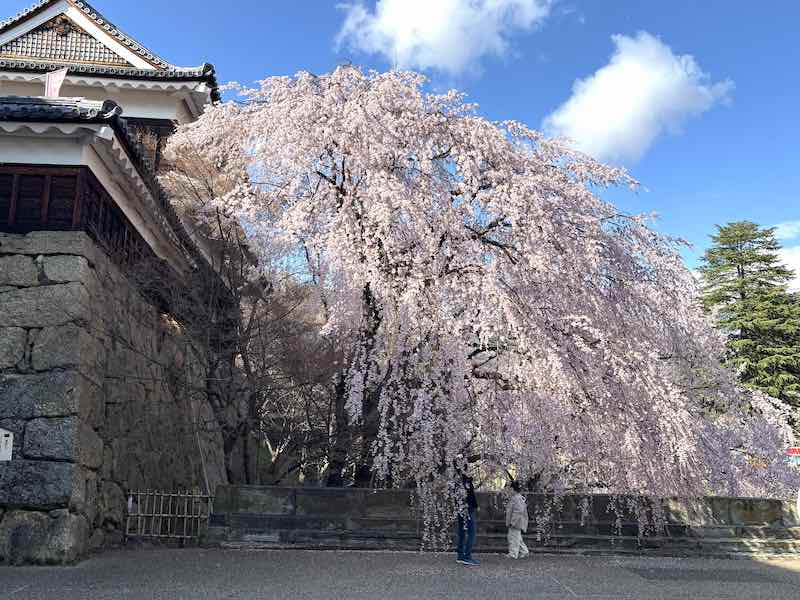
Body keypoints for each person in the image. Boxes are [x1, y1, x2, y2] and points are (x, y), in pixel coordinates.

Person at [455, 472, 480, 566]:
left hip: (460, 508)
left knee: (461, 532)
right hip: (467, 508)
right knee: (471, 532)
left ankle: (461, 556)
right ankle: (467, 556)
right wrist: (475, 506)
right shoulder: (465, 481)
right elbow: (470, 496)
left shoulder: (456, 480)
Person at [505, 480, 529, 559]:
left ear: (513, 489)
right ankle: (524, 552)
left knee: (513, 537)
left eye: (509, 489)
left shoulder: (517, 498)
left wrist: (513, 522)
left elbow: (518, 511)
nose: (508, 490)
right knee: (517, 537)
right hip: (516, 521)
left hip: (516, 522)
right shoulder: (516, 498)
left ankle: (513, 554)